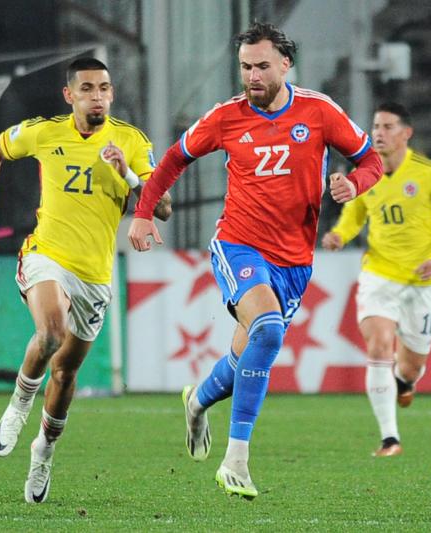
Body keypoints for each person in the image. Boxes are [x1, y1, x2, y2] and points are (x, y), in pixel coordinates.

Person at [128, 22, 382, 499]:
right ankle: (236, 461)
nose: (252, 76)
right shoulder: (225, 118)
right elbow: (172, 160)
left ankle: (199, 400)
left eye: (262, 65)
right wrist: (142, 216)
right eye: (245, 67)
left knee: (249, 353)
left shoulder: (320, 112)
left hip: (294, 261)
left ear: (286, 64)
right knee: (267, 328)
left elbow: (371, 161)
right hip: (239, 245)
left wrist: (355, 185)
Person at [0, 57, 171, 504]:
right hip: (47, 255)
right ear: (70, 95)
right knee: (50, 333)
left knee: (65, 371)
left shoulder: (131, 141)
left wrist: (128, 173)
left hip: (95, 276)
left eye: (103, 88)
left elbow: (163, 207)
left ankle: (42, 453)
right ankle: (18, 406)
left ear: (111, 94)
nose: (96, 95)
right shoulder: (45, 131)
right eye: (86, 88)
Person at [321, 102, 431, 457]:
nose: (378, 134)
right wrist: (340, 235)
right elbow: (355, 213)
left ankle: (405, 381)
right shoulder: (366, 173)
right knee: (378, 345)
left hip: (423, 282)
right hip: (379, 274)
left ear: (406, 133)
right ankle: (390, 438)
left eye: (388, 127)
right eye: (375, 126)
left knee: (411, 365)